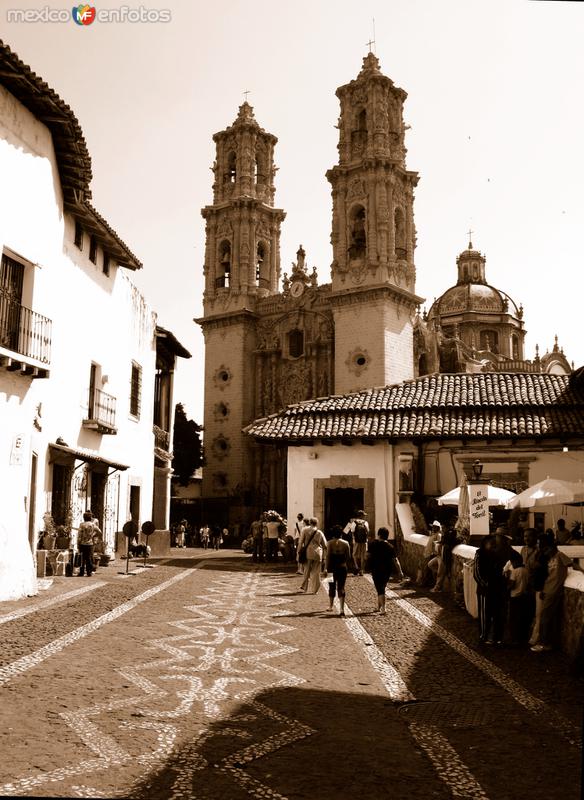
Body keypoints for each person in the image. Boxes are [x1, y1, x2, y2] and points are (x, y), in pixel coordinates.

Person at [532, 535, 571, 652]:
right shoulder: (551, 558)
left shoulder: (560, 555)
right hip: (547, 590)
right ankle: (546, 642)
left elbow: (572, 565)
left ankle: (544, 643)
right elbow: (549, 577)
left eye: (546, 549)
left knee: (545, 618)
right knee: (545, 617)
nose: (545, 551)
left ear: (552, 547)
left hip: (554, 592)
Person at [503, 550, 530, 645]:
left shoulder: (515, 572)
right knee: (521, 618)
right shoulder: (526, 570)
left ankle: (514, 639)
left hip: (514, 597)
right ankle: (521, 638)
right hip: (523, 597)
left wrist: (507, 579)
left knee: (513, 619)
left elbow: (511, 585)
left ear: (515, 561)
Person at [367, 527, 396, 613]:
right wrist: (400, 571)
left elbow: (367, 556)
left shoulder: (373, 544)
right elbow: (395, 560)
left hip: (376, 569)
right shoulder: (391, 547)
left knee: (380, 588)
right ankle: (379, 607)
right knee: (381, 587)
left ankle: (383, 608)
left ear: (379, 535)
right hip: (387, 570)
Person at [325, 525, 351, 616]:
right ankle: (342, 609)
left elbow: (327, 556)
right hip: (342, 567)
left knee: (331, 586)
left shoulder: (329, 543)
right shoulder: (346, 543)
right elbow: (348, 557)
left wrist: (325, 568)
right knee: (341, 587)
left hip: (331, 568)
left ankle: (331, 606)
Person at [299, 517, 327, 594]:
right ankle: (315, 590)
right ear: (316, 523)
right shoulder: (320, 532)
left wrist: (298, 552)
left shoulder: (305, 530)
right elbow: (325, 545)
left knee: (306, 570)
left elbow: (301, 542)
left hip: (308, 552)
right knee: (316, 572)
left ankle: (305, 587)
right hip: (318, 553)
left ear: (310, 522)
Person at [344, 510, 369, 576]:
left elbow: (345, 531)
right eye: (364, 515)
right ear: (361, 516)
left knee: (354, 555)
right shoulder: (365, 522)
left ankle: (356, 567)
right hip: (364, 541)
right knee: (363, 555)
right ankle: (362, 570)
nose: (365, 516)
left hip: (356, 541)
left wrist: (350, 522)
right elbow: (368, 532)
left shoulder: (353, 522)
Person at [77, 511, 96, 577]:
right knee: (89, 558)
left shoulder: (82, 524)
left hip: (83, 543)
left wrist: (78, 543)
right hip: (90, 544)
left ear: (84, 517)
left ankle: (81, 572)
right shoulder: (93, 524)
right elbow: (99, 531)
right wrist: (92, 535)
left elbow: (79, 535)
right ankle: (89, 572)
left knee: (82, 558)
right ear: (90, 517)